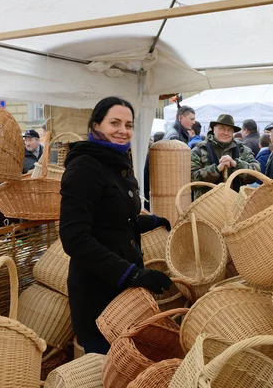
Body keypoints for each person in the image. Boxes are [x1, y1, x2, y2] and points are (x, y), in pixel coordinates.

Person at [60, 97, 173, 355]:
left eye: (129, 124)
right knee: (106, 369)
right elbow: (74, 237)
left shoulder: (115, 161)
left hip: (122, 295)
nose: (123, 130)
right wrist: (132, 274)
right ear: (96, 124)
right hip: (98, 292)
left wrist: (150, 222)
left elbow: (113, 219)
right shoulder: (85, 167)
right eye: (115, 123)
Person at [191, 114, 260, 199]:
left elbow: (256, 173)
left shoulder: (242, 149)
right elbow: (191, 180)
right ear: (213, 129)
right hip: (206, 206)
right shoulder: (199, 149)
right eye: (222, 128)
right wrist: (216, 169)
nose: (226, 133)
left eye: (230, 130)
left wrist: (236, 164)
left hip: (236, 204)